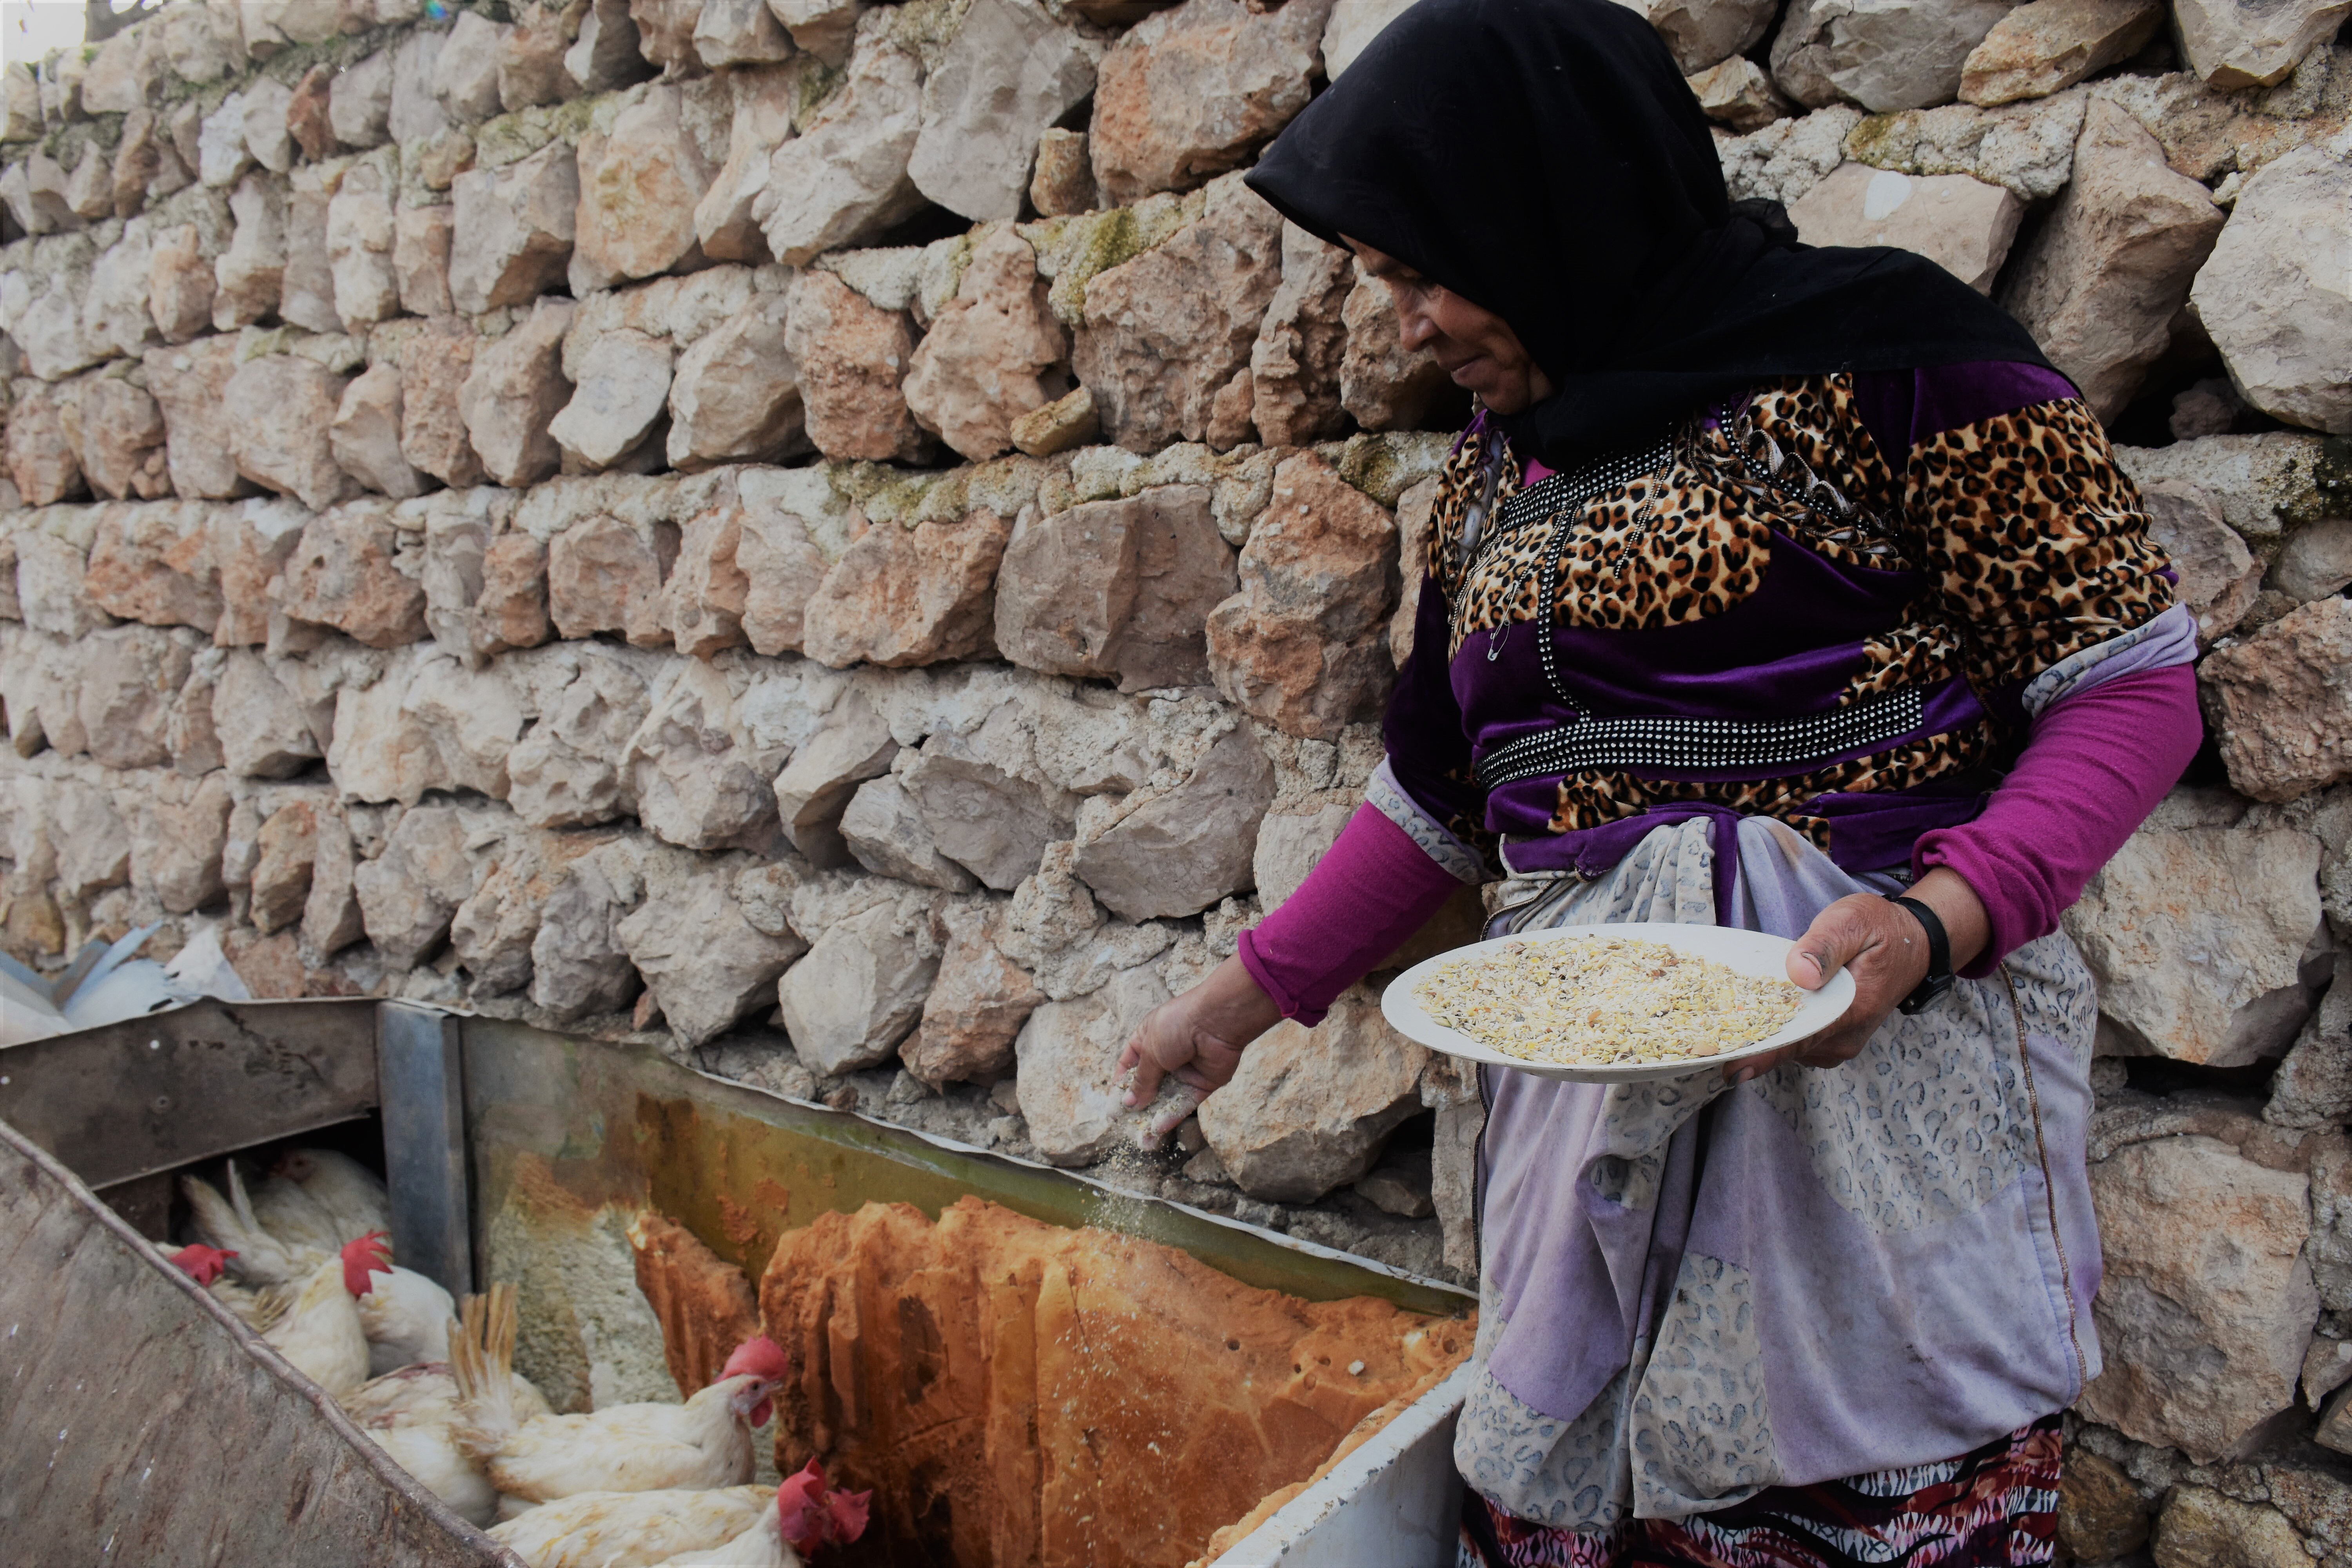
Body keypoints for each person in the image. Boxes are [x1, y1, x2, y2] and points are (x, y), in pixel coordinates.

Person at [1115, 0, 2205, 1562]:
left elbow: (2128, 680)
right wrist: (1237, 1003)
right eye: (1386, 281)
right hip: (1589, 1079)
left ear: (1548, 203)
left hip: (1870, 1066)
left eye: (1426, 270)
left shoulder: (1896, 358)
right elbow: (1441, 790)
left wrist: (1939, 920)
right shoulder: (1500, 463)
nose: (1408, 324)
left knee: (1852, 1499)